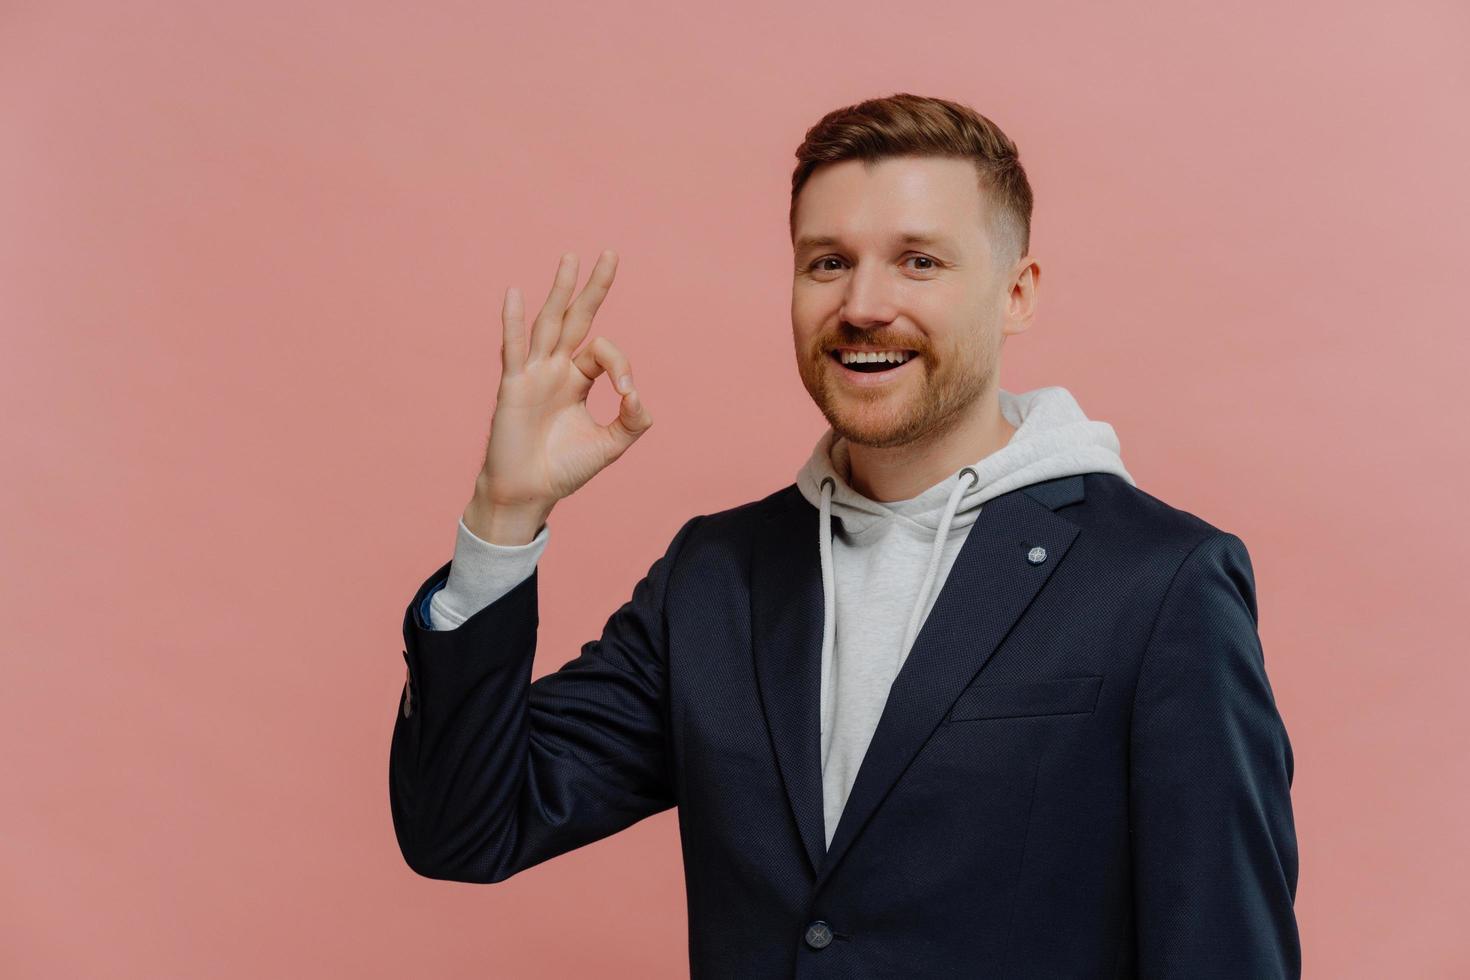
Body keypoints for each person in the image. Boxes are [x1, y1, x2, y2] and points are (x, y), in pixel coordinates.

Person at [389, 92, 1300, 979]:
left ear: (1017, 293)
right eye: (828, 262)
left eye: (920, 263)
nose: (863, 305)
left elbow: (1223, 947)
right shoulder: (718, 576)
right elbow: (467, 828)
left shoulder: (1159, 580)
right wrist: (504, 517)